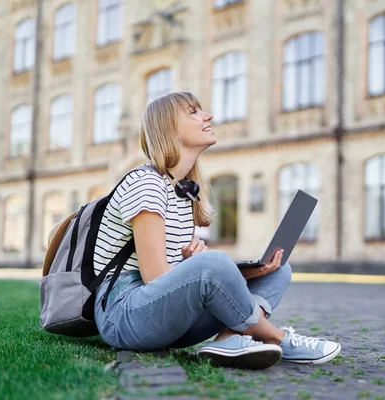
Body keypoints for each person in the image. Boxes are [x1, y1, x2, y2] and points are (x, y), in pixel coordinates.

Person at [93, 92, 341, 369]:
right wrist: (202, 267)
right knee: (214, 262)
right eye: (193, 112)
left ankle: (228, 339)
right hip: (124, 316)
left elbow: (172, 276)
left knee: (278, 269)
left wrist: (235, 272)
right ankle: (278, 339)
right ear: (168, 127)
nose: (207, 116)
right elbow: (154, 277)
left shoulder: (183, 191)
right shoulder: (146, 183)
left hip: (164, 318)